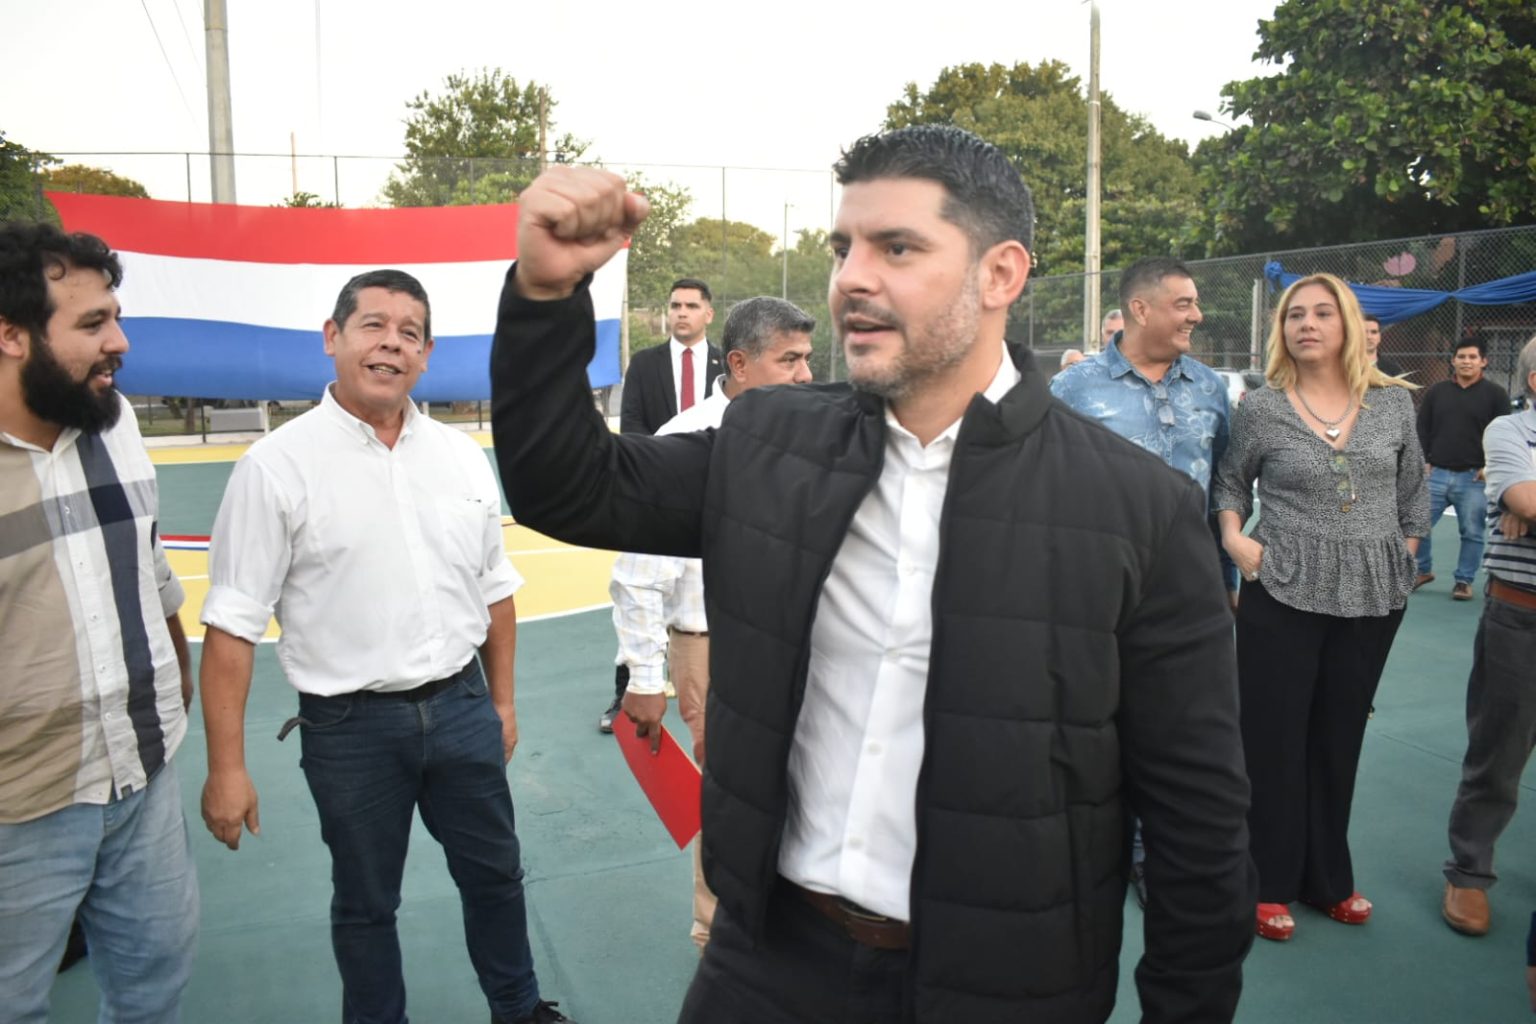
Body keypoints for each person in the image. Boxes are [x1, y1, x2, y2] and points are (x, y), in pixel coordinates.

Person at [491, 125, 1255, 1023]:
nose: (851, 277)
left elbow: (1196, 816)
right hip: (766, 959)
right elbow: (567, 486)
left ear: (1001, 275)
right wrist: (546, 294)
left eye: (896, 248)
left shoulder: (1141, 510)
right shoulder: (767, 441)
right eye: (842, 248)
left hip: (1006, 986)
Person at [198, 270, 573, 1024]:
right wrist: (227, 768)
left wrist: (501, 703)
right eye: (373, 325)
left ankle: (518, 1007)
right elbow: (232, 626)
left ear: (427, 354)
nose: (391, 344)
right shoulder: (275, 467)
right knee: (367, 903)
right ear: (333, 338)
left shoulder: (462, 456)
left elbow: (495, 591)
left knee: (496, 876)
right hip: (349, 730)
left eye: (410, 333)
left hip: (462, 707)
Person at [0, 221, 197, 1022]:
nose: (119, 342)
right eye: (92, 324)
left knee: (154, 988)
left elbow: (150, 565)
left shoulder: (116, 429)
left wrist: (176, 679)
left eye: (115, 317)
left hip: (143, 772)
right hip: (19, 805)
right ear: (11, 336)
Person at [1213, 272, 1428, 943]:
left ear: (1349, 325)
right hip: (1281, 587)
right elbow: (1231, 483)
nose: (1307, 324)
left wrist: (1403, 555)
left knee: (1339, 736)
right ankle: (1266, 881)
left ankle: (1328, 879)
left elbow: (1413, 493)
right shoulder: (1262, 408)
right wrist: (1234, 539)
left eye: (1322, 313)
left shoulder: (1393, 405)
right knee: (1272, 739)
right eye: (1295, 314)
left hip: (1371, 596)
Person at [613, 295, 814, 950]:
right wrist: (646, 678)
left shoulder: (810, 436)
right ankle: (717, 933)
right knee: (730, 793)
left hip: (796, 642)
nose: (806, 375)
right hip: (711, 648)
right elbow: (638, 574)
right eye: (790, 360)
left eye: (807, 359)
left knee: (805, 780)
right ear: (740, 364)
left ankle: (792, 922)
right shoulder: (685, 441)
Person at [1051, 256, 1239, 909]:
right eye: (1184, 304)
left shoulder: (1208, 388)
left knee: (1179, 726)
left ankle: (1150, 852)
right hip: (1096, 589)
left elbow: (1222, 484)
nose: (1197, 315)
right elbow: (1048, 483)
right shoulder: (1074, 388)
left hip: (1190, 591)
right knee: (1093, 719)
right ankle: (1095, 846)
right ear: (1140, 309)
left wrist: (1225, 577)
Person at [1441, 334, 1536, 938]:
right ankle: (1469, 873)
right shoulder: (1510, 431)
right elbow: (1522, 495)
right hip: (1520, 618)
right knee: (1498, 755)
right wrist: (1522, 502)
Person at [603, 279, 725, 732]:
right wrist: (654, 477)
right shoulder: (645, 363)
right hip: (657, 488)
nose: (681, 312)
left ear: (708, 313)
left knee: (691, 604)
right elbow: (632, 425)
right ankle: (626, 692)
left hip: (707, 492)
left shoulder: (726, 365)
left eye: (691, 305)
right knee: (640, 590)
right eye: (675, 305)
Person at [1415, 337, 1511, 600]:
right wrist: (1424, 460)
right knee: (1417, 523)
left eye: (1472, 357)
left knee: (1472, 532)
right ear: (1453, 360)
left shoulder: (1496, 395)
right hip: (1436, 474)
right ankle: (1422, 570)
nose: (1466, 361)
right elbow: (1422, 427)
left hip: (1474, 478)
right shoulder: (1437, 392)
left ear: (1483, 361)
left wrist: (1489, 465)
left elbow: (1504, 434)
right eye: (1461, 357)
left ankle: (1463, 581)